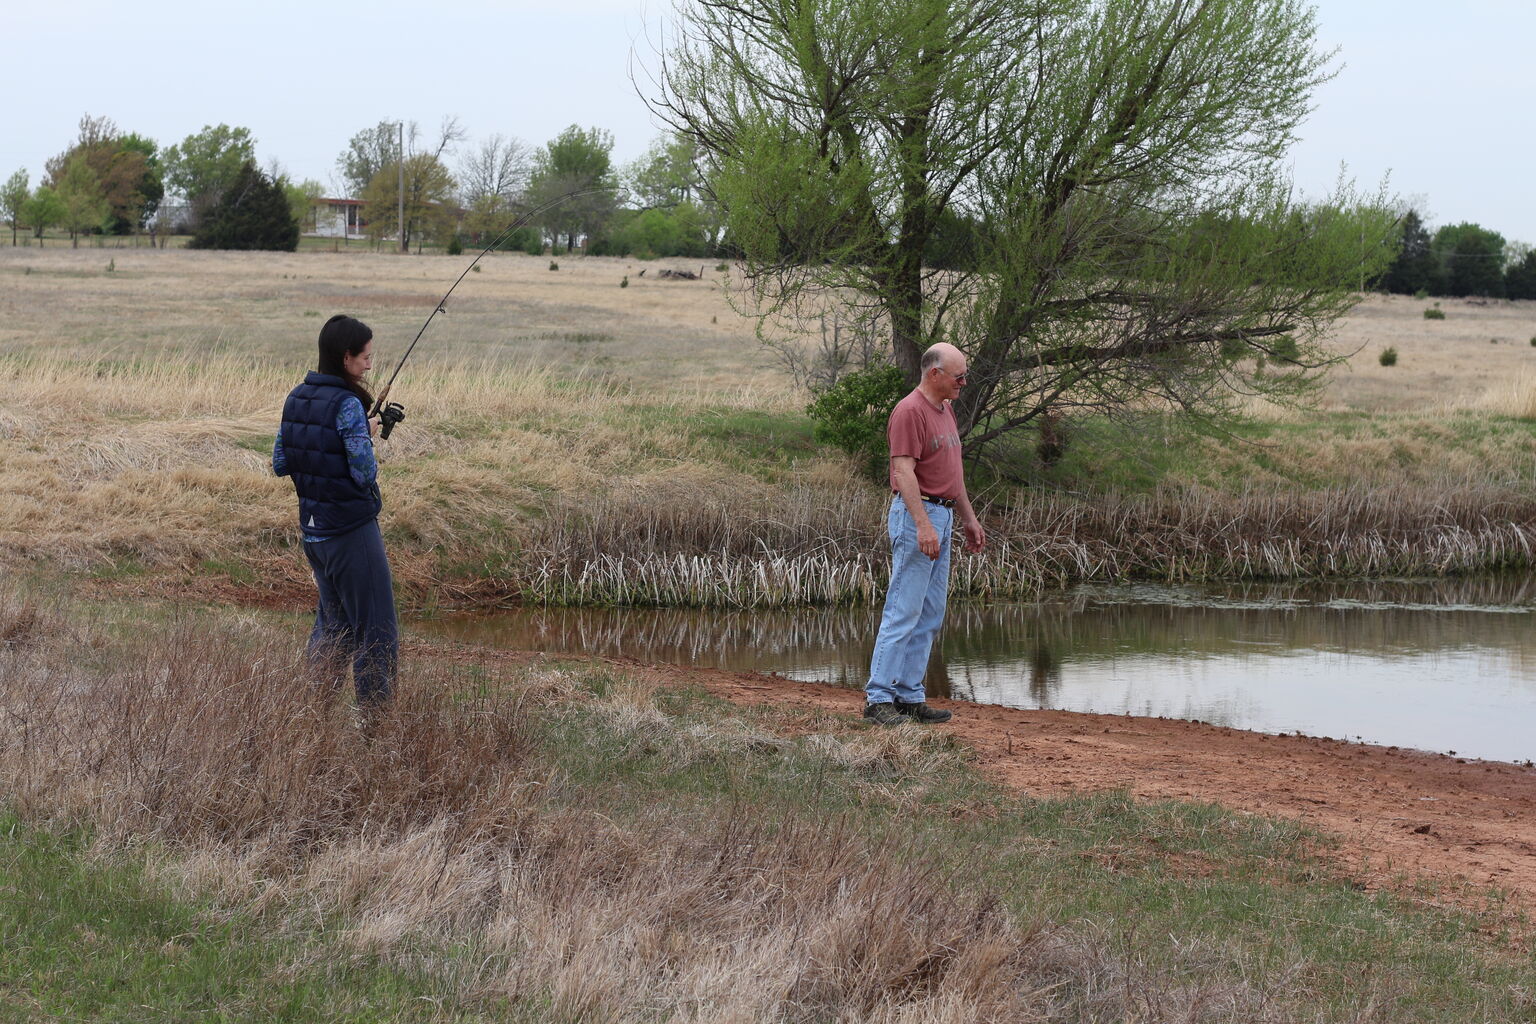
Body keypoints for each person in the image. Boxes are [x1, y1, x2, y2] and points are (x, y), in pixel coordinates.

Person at [272, 314, 398, 708]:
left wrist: (359, 429)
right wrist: (364, 432)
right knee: (376, 631)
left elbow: (280, 461)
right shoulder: (347, 404)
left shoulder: (296, 397)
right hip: (351, 532)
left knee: (334, 626)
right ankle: (375, 727)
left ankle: (311, 715)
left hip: (314, 533)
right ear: (345, 358)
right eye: (365, 357)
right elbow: (364, 473)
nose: (369, 365)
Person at [864, 342, 986, 726]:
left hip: (945, 514)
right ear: (934, 373)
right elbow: (903, 473)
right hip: (920, 515)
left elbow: (954, 472)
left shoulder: (945, 410)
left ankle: (909, 696)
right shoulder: (909, 412)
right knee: (904, 610)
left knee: (930, 613)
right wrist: (922, 525)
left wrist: (968, 518)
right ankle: (879, 698)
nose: (963, 383)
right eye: (958, 376)